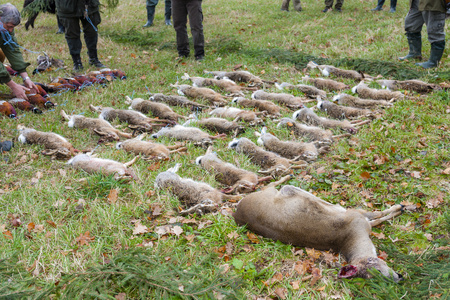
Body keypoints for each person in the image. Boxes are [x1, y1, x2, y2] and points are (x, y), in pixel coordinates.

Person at [0, 3, 38, 101]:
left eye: (13, 27)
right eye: (9, 26)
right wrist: (13, 85)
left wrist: (26, 78)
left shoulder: (5, 29)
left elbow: (13, 50)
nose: (10, 30)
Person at [55, 0, 105, 71]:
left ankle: (93, 58)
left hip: (89, 4)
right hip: (67, 6)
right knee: (72, 33)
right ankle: (77, 62)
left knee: (91, 30)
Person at [399, 0, 446, 69]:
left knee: (434, 30)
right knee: (411, 24)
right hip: (417, 1)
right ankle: (414, 53)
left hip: (433, 3)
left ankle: (433, 62)